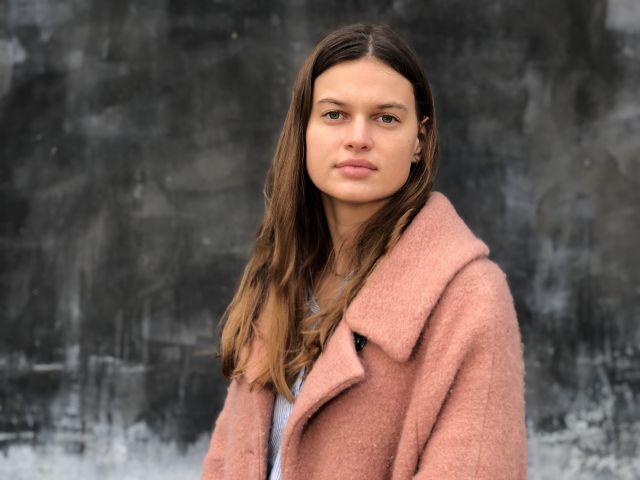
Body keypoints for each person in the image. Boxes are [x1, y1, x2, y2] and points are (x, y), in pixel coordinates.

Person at [201, 23, 527, 480]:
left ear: (419, 139)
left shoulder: (471, 298)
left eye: (386, 118)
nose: (358, 137)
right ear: (304, 129)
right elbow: (225, 462)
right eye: (334, 114)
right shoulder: (282, 275)